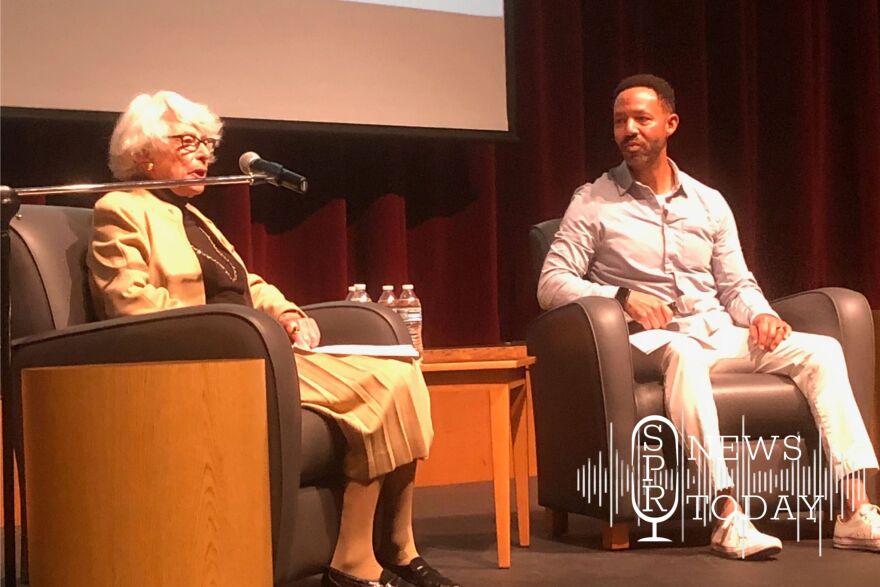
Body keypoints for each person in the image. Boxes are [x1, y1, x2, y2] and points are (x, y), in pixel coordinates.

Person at [87, 91, 460, 587]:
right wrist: (225, 327)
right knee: (378, 387)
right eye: (187, 142)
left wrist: (285, 312)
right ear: (143, 153)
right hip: (212, 358)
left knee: (403, 372)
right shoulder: (121, 209)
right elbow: (128, 302)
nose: (203, 155)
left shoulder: (192, 215)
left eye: (207, 144)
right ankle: (353, 562)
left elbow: (245, 283)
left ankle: (398, 545)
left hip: (254, 345)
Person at [537, 74, 880, 559]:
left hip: (716, 330)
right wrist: (622, 297)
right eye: (619, 122)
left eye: (641, 119)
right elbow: (551, 284)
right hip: (647, 342)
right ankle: (727, 516)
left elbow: (736, 284)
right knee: (683, 352)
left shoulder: (708, 202)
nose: (629, 130)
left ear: (670, 123)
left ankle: (854, 509)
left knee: (821, 351)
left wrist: (761, 314)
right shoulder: (593, 201)